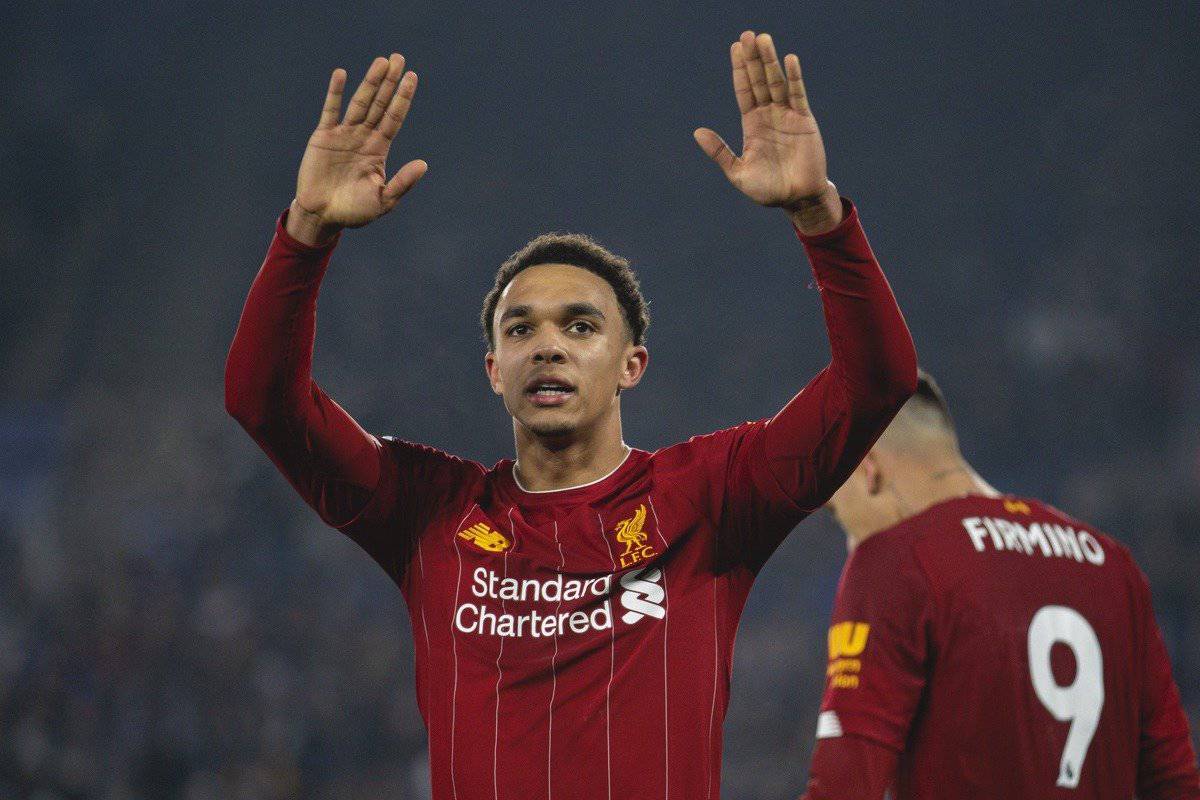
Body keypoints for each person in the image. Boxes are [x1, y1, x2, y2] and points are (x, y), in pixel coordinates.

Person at [225, 30, 916, 799]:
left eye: (580, 327)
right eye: (520, 330)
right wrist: (306, 233)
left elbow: (878, 383)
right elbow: (262, 401)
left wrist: (821, 217)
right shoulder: (426, 509)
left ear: (631, 365)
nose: (546, 347)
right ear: (493, 371)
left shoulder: (711, 496)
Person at [802, 370, 1200, 799]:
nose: (846, 535)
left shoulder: (896, 562)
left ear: (868, 470)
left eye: (835, 508)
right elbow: (1175, 781)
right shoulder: (1112, 566)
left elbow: (843, 790)